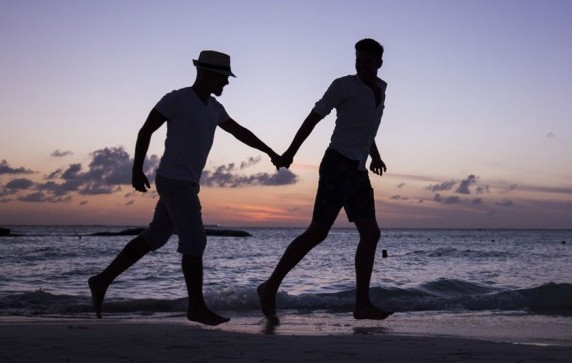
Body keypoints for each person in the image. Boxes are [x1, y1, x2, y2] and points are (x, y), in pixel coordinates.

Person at [88, 50, 282, 326]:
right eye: (222, 77)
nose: (225, 83)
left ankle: (101, 279)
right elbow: (146, 130)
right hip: (173, 180)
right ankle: (196, 307)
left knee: (155, 237)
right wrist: (136, 169)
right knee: (195, 239)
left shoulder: (214, 108)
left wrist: (270, 151)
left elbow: (240, 132)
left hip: (186, 182)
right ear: (204, 73)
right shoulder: (177, 99)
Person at [257, 38, 393, 324]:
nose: (361, 65)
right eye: (358, 59)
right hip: (337, 165)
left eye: (367, 61)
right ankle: (269, 287)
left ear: (379, 63)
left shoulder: (381, 89)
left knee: (371, 234)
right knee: (317, 232)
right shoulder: (343, 85)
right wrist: (290, 153)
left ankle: (362, 304)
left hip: (357, 170)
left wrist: (375, 156)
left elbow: (367, 129)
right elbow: (314, 117)